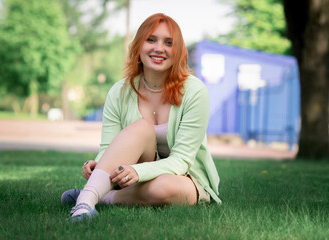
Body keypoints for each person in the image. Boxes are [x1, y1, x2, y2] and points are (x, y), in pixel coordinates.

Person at [62, 13, 221, 222]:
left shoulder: (195, 91)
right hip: (132, 173)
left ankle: (104, 196)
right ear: (139, 45)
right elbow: (109, 146)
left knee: (163, 188)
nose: (159, 48)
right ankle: (84, 205)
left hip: (185, 176)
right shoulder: (119, 91)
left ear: (179, 51)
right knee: (141, 128)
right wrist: (98, 164)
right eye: (151, 40)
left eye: (168, 43)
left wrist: (137, 172)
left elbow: (182, 160)